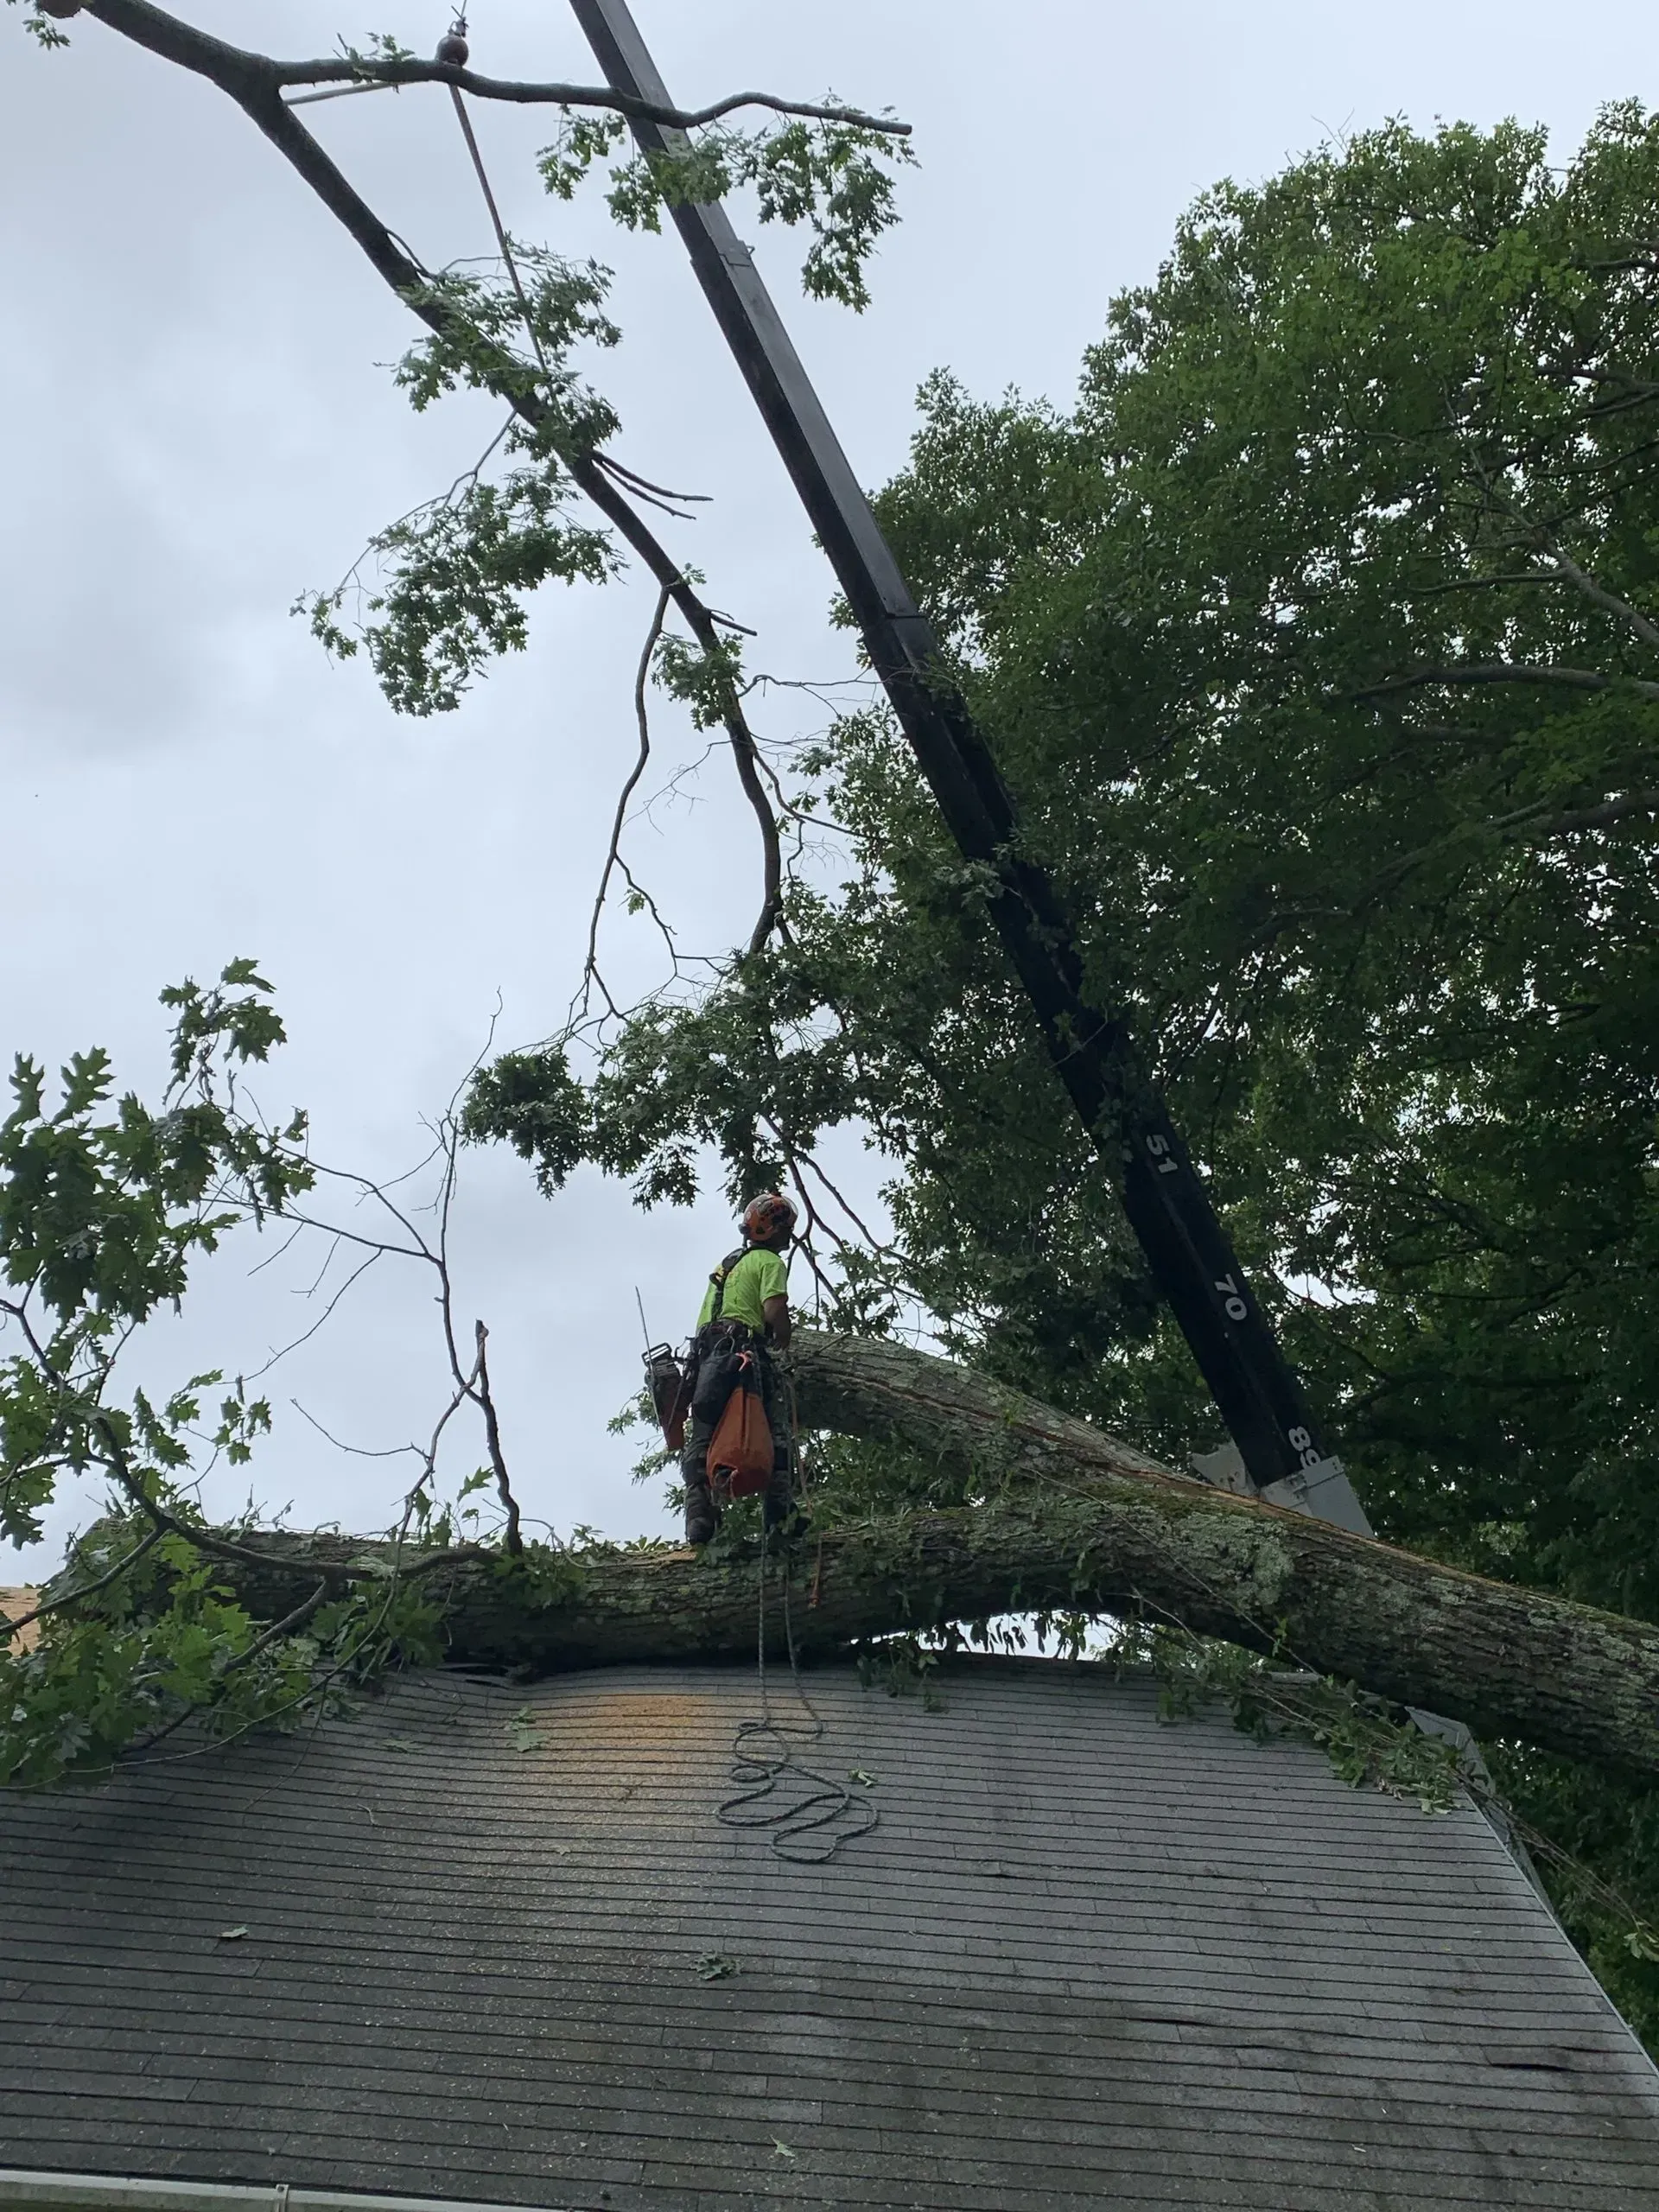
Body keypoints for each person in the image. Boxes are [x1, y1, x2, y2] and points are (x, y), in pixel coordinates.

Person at [681, 1192, 803, 1546]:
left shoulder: (727, 1265)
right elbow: (773, 1311)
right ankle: (779, 1519)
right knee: (773, 1431)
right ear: (773, 1230)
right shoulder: (769, 1262)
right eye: (786, 1230)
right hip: (744, 1355)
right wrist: (784, 1336)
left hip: (706, 1360)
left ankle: (700, 1520)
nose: (789, 1237)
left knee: (703, 1436)